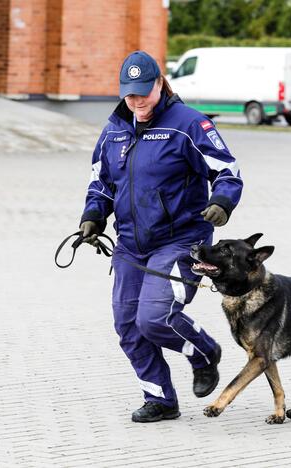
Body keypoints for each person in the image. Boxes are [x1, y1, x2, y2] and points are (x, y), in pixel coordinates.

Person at [79, 51, 243, 423]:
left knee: (153, 317)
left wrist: (222, 201)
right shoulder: (113, 130)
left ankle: (203, 354)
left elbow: (227, 170)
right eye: (129, 94)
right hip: (130, 245)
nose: (136, 101)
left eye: (143, 92)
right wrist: (92, 216)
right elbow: (102, 182)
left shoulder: (189, 125)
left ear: (159, 84)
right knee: (127, 324)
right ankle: (160, 400)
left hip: (181, 240)